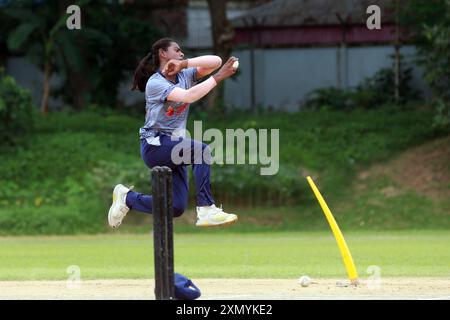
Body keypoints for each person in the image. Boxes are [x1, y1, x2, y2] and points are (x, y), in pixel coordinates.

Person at [107, 37, 239, 229]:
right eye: (176, 50)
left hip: (174, 144)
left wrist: (184, 63)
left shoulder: (185, 74)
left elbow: (216, 62)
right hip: (155, 146)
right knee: (201, 151)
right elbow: (188, 96)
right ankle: (206, 209)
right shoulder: (155, 83)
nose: (181, 53)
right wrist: (218, 77)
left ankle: (129, 198)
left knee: (175, 207)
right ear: (163, 53)